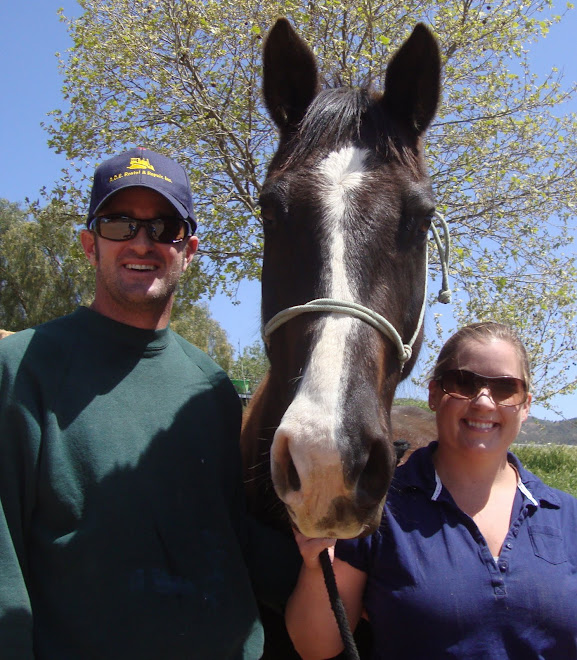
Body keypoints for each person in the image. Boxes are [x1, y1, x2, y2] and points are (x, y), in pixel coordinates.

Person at [0, 147, 299, 659]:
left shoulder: (212, 388)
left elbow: (232, 539)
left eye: (164, 228)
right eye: (120, 225)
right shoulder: (22, 367)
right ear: (89, 244)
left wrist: (340, 554)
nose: (143, 242)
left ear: (189, 249)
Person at [286, 321, 577, 659]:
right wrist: (313, 565)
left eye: (504, 388)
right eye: (463, 382)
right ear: (435, 394)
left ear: (525, 405)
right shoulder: (378, 508)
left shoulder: (566, 517)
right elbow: (316, 647)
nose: (484, 402)